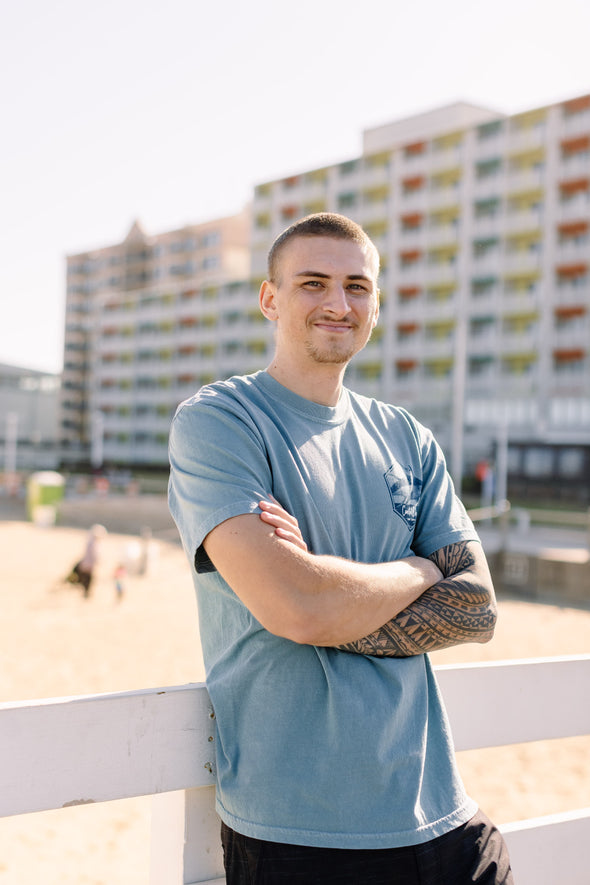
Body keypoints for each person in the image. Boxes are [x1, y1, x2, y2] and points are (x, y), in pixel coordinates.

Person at [168, 213, 513, 883]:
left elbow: (478, 607)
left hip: (444, 817)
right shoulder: (220, 422)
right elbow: (295, 606)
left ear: (376, 303)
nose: (338, 302)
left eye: (357, 285)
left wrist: (325, 595)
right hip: (302, 832)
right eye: (313, 283)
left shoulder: (405, 436)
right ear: (271, 299)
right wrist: (417, 568)